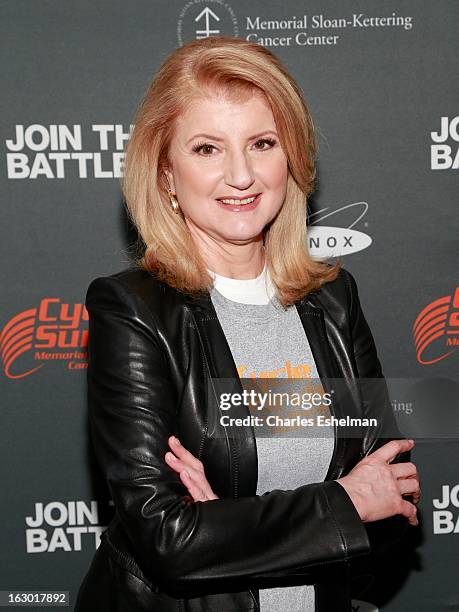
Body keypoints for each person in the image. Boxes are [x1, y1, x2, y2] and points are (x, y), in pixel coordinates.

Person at [75, 35, 420, 612]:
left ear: (292, 157)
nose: (241, 175)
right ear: (166, 173)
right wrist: (339, 504)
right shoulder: (133, 311)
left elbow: (395, 502)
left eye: (262, 143)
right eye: (208, 149)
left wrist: (226, 524)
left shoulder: (334, 299)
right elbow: (168, 541)